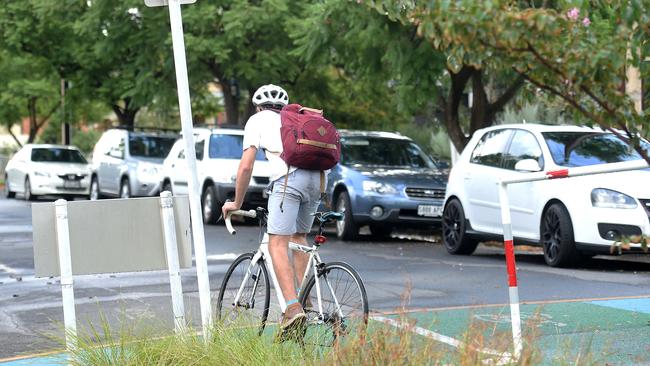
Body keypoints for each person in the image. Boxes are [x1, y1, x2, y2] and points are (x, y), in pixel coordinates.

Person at [221, 84, 326, 334]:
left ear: (258, 106)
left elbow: (246, 167)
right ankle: (305, 297)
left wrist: (236, 203)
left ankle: (292, 308)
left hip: (289, 180)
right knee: (299, 237)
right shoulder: (298, 118)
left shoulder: (256, 120)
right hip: (318, 180)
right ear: (283, 106)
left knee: (276, 243)